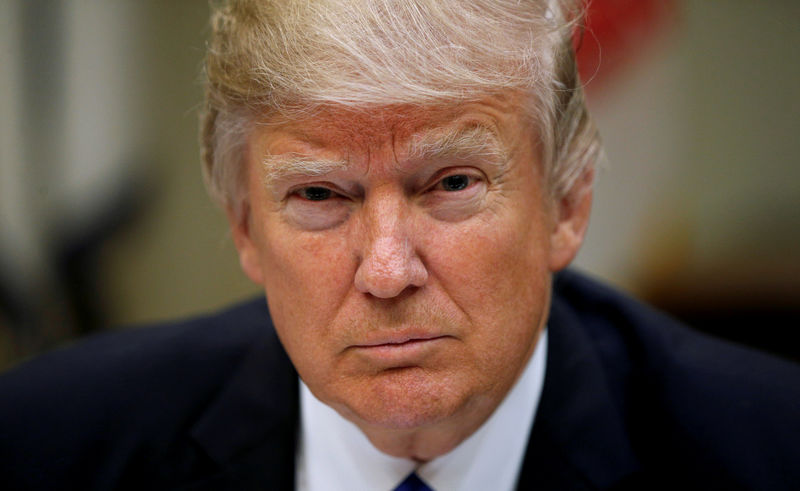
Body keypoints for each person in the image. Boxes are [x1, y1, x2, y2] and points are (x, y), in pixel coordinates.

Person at [1, 0, 799, 489]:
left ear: (567, 203)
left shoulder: (767, 452)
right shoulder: (48, 445)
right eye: (319, 194)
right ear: (244, 226)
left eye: (451, 184)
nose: (387, 270)